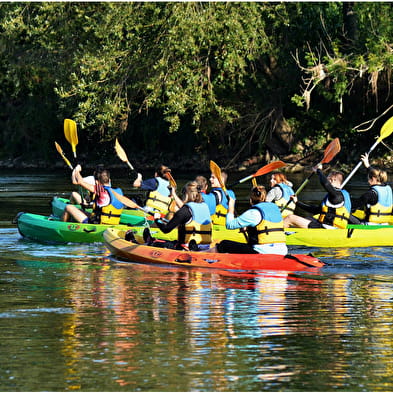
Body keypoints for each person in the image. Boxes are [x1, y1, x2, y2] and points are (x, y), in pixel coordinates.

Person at [207, 185, 288, 255]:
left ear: (250, 200)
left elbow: (229, 225)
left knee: (224, 244)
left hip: (262, 252)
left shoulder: (253, 212)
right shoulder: (275, 208)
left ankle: (204, 255)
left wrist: (231, 207)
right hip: (282, 251)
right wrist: (248, 229)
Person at [140, 181, 212, 251]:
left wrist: (157, 219)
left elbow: (165, 229)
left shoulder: (184, 211)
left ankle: (149, 242)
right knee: (172, 242)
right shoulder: (204, 206)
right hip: (205, 247)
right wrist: (173, 194)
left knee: (157, 244)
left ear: (186, 194)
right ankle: (152, 240)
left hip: (185, 249)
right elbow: (186, 211)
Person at [62, 165, 142, 224]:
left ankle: (63, 226)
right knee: (84, 212)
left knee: (68, 207)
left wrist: (77, 170)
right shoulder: (119, 191)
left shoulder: (98, 189)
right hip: (113, 223)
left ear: (97, 182)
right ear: (109, 180)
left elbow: (80, 181)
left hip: (98, 224)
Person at [284, 165, 352, 229]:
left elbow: (325, 183)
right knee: (306, 219)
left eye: (327, 178)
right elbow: (315, 210)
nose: (326, 179)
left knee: (290, 218)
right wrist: (297, 202)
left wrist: (318, 170)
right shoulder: (337, 197)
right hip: (332, 227)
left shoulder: (337, 195)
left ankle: (277, 237)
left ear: (333, 180)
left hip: (327, 228)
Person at [350, 153, 393, 225]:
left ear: (372, 179)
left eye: (368, 178)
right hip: (385, 224)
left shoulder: (371, 194)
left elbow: (355, 205)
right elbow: (376, 174)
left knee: (344, 215)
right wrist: (368, 166)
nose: (367, 180)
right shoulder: (388, 188)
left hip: (369, 225)